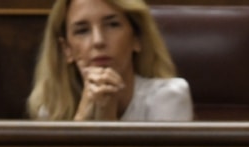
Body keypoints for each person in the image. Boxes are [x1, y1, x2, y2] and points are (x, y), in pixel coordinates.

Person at [28, 0, 192, 121]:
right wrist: (82, 117)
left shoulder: (169, 97)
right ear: (67, 49)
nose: (98, 41)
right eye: (82, 31)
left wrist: (106, 116)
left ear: (137, 38)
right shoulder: (54, 108)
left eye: (112, 25)